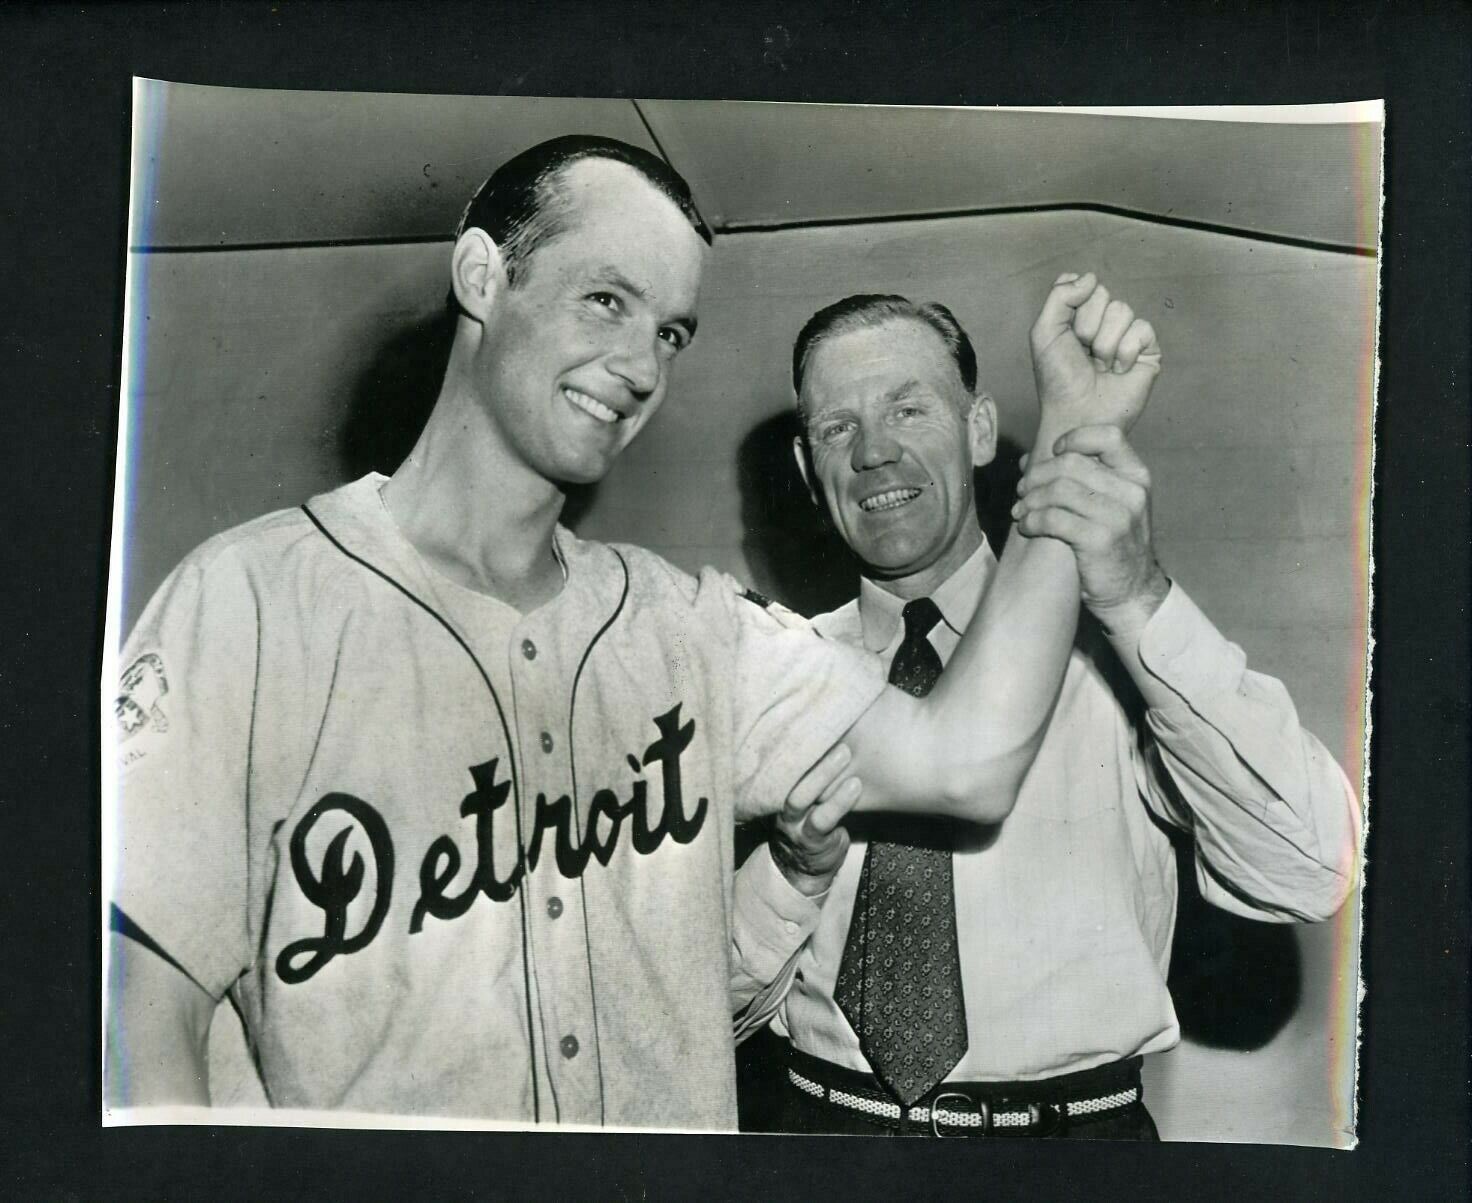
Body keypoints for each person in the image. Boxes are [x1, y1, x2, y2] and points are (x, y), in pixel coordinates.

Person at [105, 136, 1120, 1127]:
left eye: (670, 332)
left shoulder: (691, 630)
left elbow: (969, 760)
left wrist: (1073, 427)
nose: (639, 365)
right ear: (481, 275)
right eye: (606, 300)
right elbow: (140, 1010)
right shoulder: (245, 603)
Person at [747, 286, 1361, 1139]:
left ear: (981, 431)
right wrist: (787, 868)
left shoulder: (1115, 656)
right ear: (812, 473)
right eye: (837, 428)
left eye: (908, 408)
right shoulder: (768, 671)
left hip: (1071, 1153)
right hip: (818, 1138)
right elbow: (716, 1007)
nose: (874, 453)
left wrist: (1140, 598)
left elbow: (1308, 867)